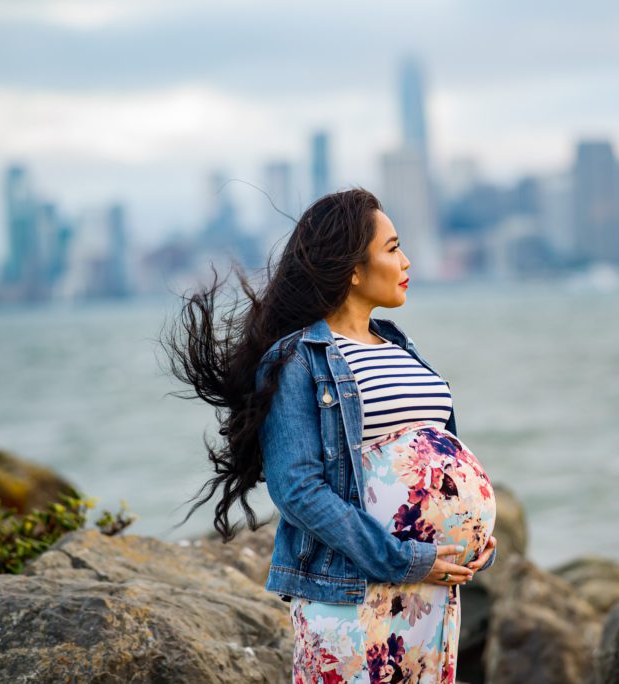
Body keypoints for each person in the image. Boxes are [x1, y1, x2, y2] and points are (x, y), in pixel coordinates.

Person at [164, 188, 497, 682]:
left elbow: (439, 454)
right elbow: (297, 488)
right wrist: (404, 558)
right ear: (353, 268)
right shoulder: (298, 358)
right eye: (392, 248)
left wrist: (473, 540)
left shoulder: (400, 346)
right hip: (355, 590)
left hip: (430, 589)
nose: (406, 261)